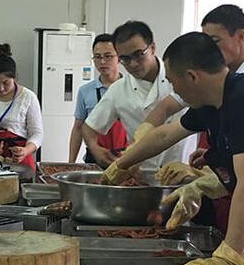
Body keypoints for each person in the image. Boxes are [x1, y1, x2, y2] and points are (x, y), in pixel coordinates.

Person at [107, 32, 244, 265]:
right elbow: (165, 135)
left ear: (193, 77)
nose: (174, 90)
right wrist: (123, 163)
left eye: (173, 82)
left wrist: (229, 256)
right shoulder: (211, 102)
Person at [134, 4, 244, 143]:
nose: (206, 48)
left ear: (240, 36)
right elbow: (166, 110)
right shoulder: (212, 80)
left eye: (214, 41)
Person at [84, 21, 196, 172]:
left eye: (138, 55)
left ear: (152, 48)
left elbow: (166, 110)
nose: (133, 64)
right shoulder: (118, 90)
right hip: (141, 180)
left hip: (182, 175)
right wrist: (94, 148)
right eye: (125, 59)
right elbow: (89, 127)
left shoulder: (181, 76)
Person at [68, 34, 127, 163]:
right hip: (95, 158)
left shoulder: (131, 87)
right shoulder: (86, 91)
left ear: (119, 58)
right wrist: (71, 163)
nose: (102, 62)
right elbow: (78, 128)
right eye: (97, 57)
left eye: (108, 56)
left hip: (126, 157)